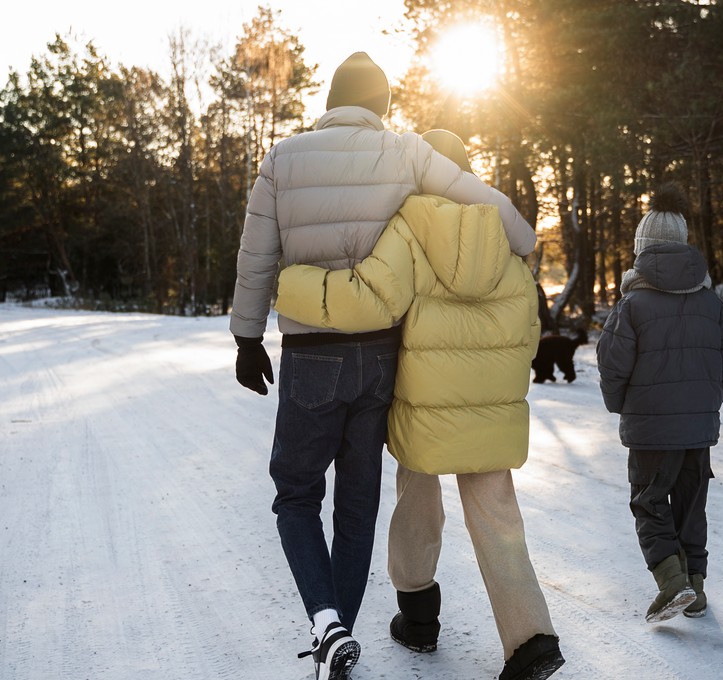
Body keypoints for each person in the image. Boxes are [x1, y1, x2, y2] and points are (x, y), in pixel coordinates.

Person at [230, 53, 536, 680]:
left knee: (295, 494)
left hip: (312, 354)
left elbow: (256, 253)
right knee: (358, 505)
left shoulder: (283, 157)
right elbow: (478, 198)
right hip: (380, 357)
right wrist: (523, 239)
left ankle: (327, 623)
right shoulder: (404, 152)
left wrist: (246, 336)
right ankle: (334, 638)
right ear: (384, 107)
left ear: (331, 101)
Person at [275, 129, 564, 680]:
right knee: (499, 517)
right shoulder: (503, 231)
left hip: (422, 400)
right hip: (491, 404)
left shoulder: (410, 225)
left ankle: (419, 617)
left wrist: (291, 285)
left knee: (416, 499)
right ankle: (531, 640)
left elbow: (371, 298)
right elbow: (529, 327)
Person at [595, 183, 723, 623]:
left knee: (649, 501)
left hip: (651, 430)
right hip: (698, 430)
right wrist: (703, 403)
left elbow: (612, 365)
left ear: (642, 249)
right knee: (691, 505)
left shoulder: (632, 303)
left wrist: (625, 406)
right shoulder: (710, 301)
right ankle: (695, 589)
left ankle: (672, 583)